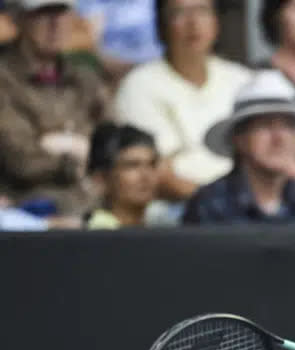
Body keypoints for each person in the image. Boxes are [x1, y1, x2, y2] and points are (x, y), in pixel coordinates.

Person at [113, 0, 252, 204]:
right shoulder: (139, 85)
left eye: (202, 11)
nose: (193, 23)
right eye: (179, 13)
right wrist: (219, 205)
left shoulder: (242, 80)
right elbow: (157, 173)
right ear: (161, 25)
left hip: (247, 205)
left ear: (216, 21)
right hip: (178, 211)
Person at [182, 70, 295, 225]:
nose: (279, 138)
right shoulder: (209, 204)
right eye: (265, 125)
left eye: (288, 126)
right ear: (239, 139)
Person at [0, 0, 108, 216]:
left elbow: (111, 144)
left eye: (62, 12)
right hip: (25, 208)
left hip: (92, 203)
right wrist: (77, 155)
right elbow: (21, 161)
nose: (55, 23)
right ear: (18, 18)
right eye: (43, 13)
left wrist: (53, 144)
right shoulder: (5, 79)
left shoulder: (85, 78)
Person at [84, 122, 165, 229]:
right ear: (101, 179)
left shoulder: (163, 229)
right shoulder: (94, 236)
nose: (146, 175)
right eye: (132, 165)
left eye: (152, 164)